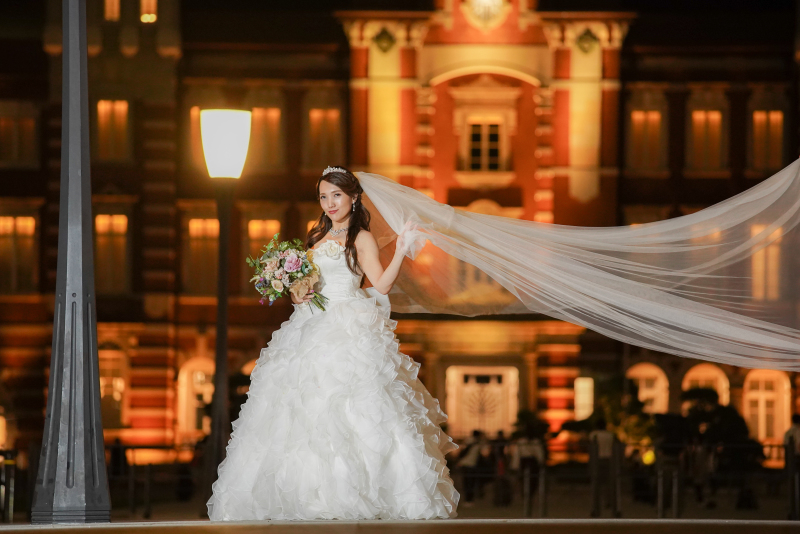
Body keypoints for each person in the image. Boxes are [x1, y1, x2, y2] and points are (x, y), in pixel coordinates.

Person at [207, 167, 458, 520]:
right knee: (300, 409)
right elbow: (301, 296)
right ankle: (304, 495)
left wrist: (401, 250)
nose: (329, 203)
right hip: (309, 325)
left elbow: (381, 286)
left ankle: (359, 492)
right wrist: (294, 288)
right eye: (323, 197)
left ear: (354, 197)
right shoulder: (315, 238)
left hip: (348, 322)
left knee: (354, 406)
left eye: (336, 195)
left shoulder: (362, 238)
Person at [588, 417, 616, 517]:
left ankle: (596, 509)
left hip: (597, 460)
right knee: (611, 485)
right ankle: (612, 506)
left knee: (596, 486)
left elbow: (592, 448)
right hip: (609, 460)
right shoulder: (610, 435)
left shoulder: (594, 435)